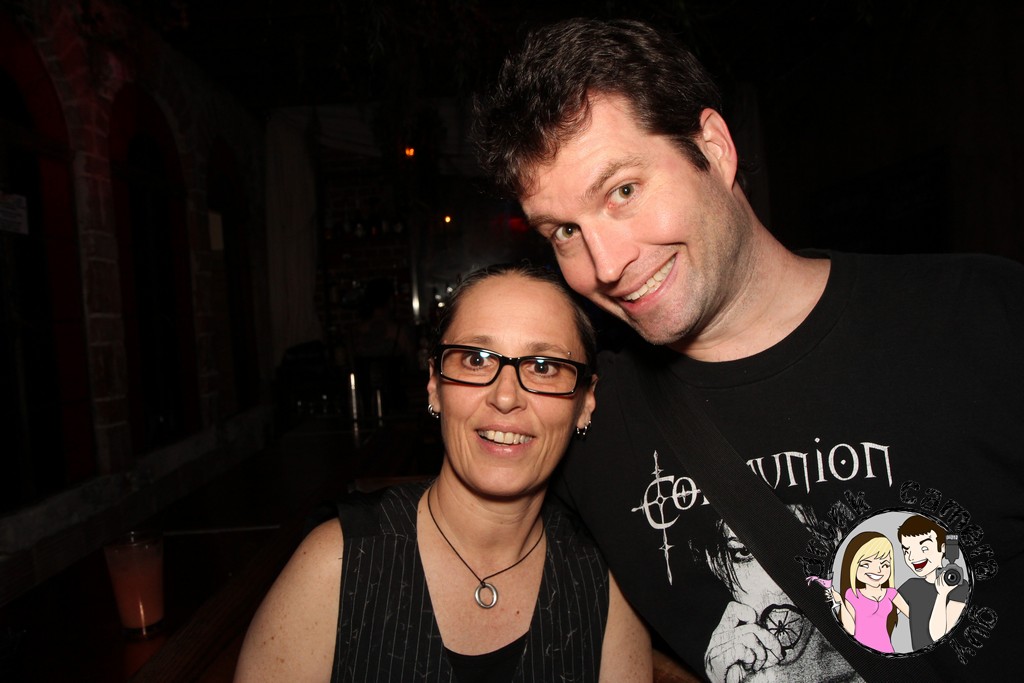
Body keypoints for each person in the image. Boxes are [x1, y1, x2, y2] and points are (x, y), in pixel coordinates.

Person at [473, 17, 1024, 681]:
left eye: (623, 191)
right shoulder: (590, 418)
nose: (606, 264)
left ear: (714, 148)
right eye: (564, 231)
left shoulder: (984, 319)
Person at [234, 263, 651, 682]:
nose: (506, 397)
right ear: (435, 383)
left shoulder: (606, 586)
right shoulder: (337, 564)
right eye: (476, 359)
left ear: (585, 402)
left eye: (544, 366)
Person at [897, 515, 969, 651]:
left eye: (924, 548)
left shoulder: (959, 587)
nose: (912, 557)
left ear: (943, 547)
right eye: (906, 551)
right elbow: (884, 613)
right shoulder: (910, 586)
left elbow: (938, 637)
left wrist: (942, 594)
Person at [829, 532, 909, 654]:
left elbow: (914, 616)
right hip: (860, 651)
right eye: (866, 564)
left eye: (885, 564)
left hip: (886, 650)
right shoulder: (852, 595)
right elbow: (850, 630)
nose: (877, 570)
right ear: (853, 566)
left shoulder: (891, 593)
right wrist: (840, 602)